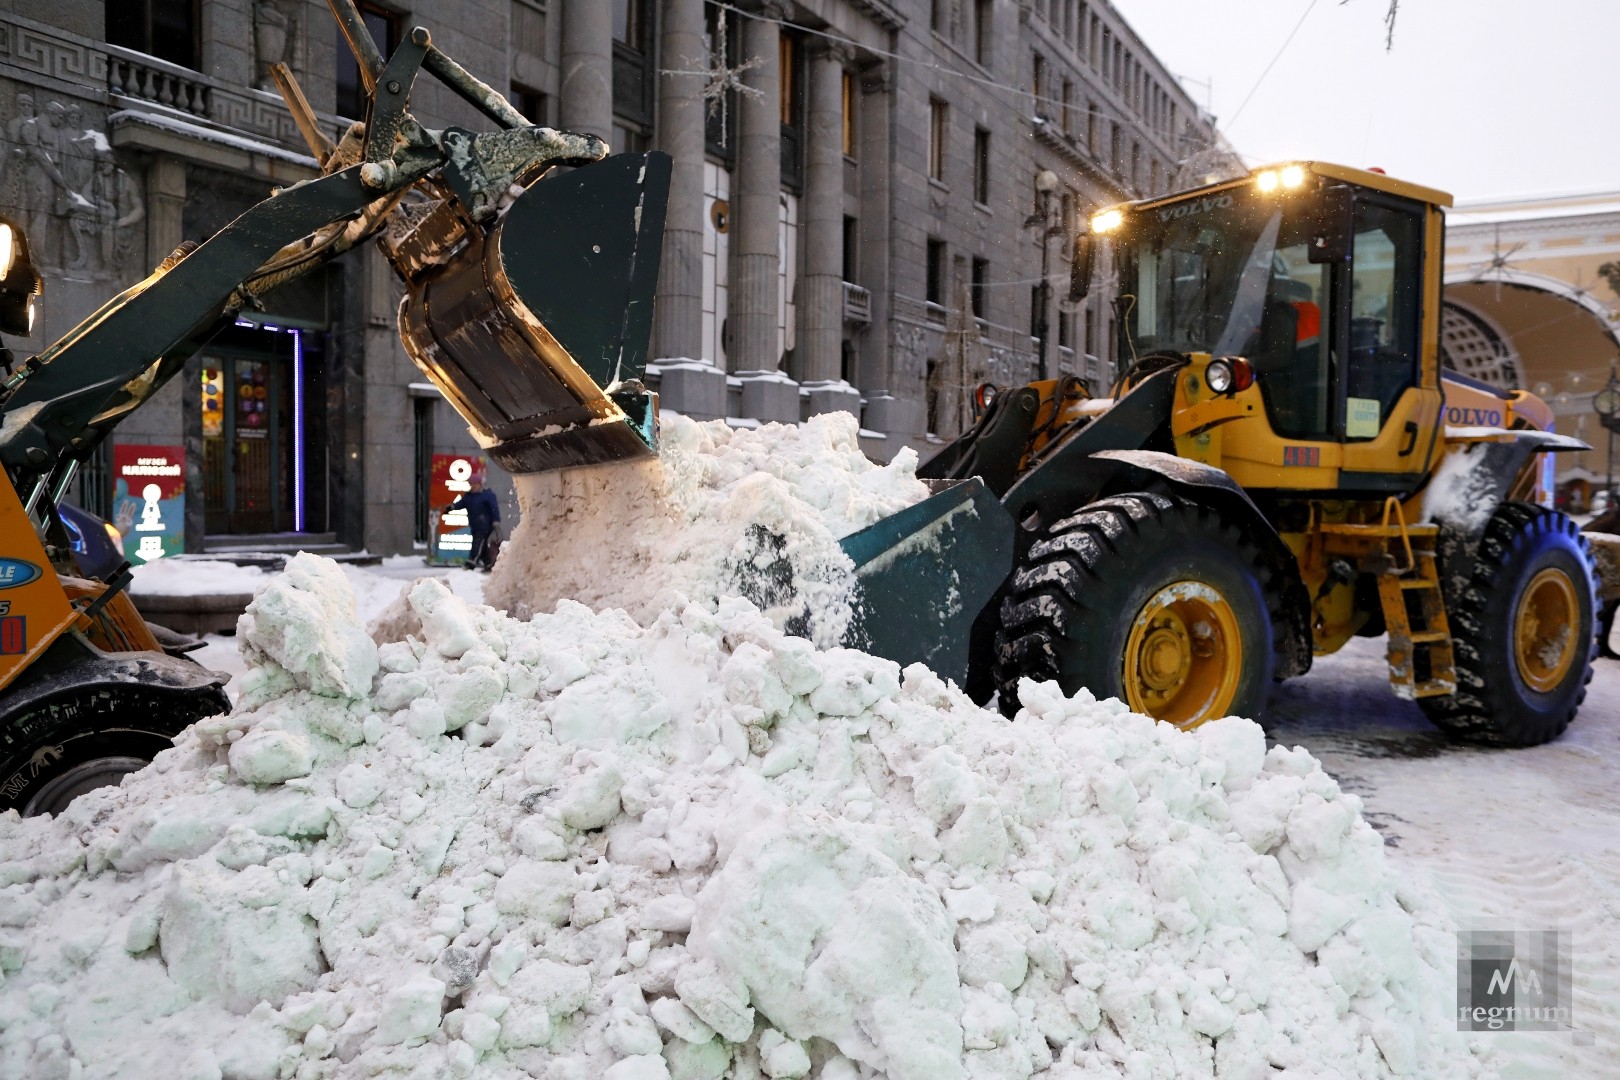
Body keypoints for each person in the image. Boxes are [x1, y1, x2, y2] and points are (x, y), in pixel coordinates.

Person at [1585, 505, 1620, 659]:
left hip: (1609, 562)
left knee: (1611, 605)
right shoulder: (1613, 519)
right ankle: (1591, 646)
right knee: (1603, 606)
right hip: (1599, 561)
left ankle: (1602, 645)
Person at [450, 474, 501, 571]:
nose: (472, 486)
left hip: (485, 525)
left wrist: (496, 520)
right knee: (483, 545)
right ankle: (488, 563)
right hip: (475, 525)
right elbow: (461, 504)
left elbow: (494, 508)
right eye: (471, 484)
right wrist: (452, 507)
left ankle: (472, 562)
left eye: (474, 484)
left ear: (480, 484)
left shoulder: (487, 495)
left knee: (478, 543)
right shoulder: (469, 496)